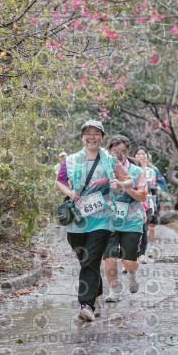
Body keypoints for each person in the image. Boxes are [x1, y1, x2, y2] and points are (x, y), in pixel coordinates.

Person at [55, 120, 132, 322]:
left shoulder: (110, 161)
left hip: (102, 218)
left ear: (102, 137)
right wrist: (70, 193)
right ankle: (96, 295)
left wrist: (119, 184)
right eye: (88, 133)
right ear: (82, 137)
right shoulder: (71, 160)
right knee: (86, 261)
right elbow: (59, 181)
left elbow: (129, 181)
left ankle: (86, 305)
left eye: (96, 133)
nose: (92, 137)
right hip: (77, 220)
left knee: (91, 260)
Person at [103, 135, 147, 302]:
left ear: (128, 152)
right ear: (110, 152)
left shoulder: (136, 172)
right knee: (109, 257)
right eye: (115, 152)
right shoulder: (103, 170)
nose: (119, 155)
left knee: (128, 262)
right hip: (108, 220)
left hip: (131, 221)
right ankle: (114, 291)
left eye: (123, 151)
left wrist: (126, 188)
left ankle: (132, 273)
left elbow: (142, 197)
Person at [133, 146, 168, 264]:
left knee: (144, 228)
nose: (141, 156)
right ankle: (131, 255)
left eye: (143, 154)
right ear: (134, 156)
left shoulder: (151, 171)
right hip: (133, 203)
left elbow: (153, 189)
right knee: (133, 229)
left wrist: (154, 204)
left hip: (147, 203)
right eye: (138, 154)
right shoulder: (130, 169)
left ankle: (142, 254)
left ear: (147, 156)